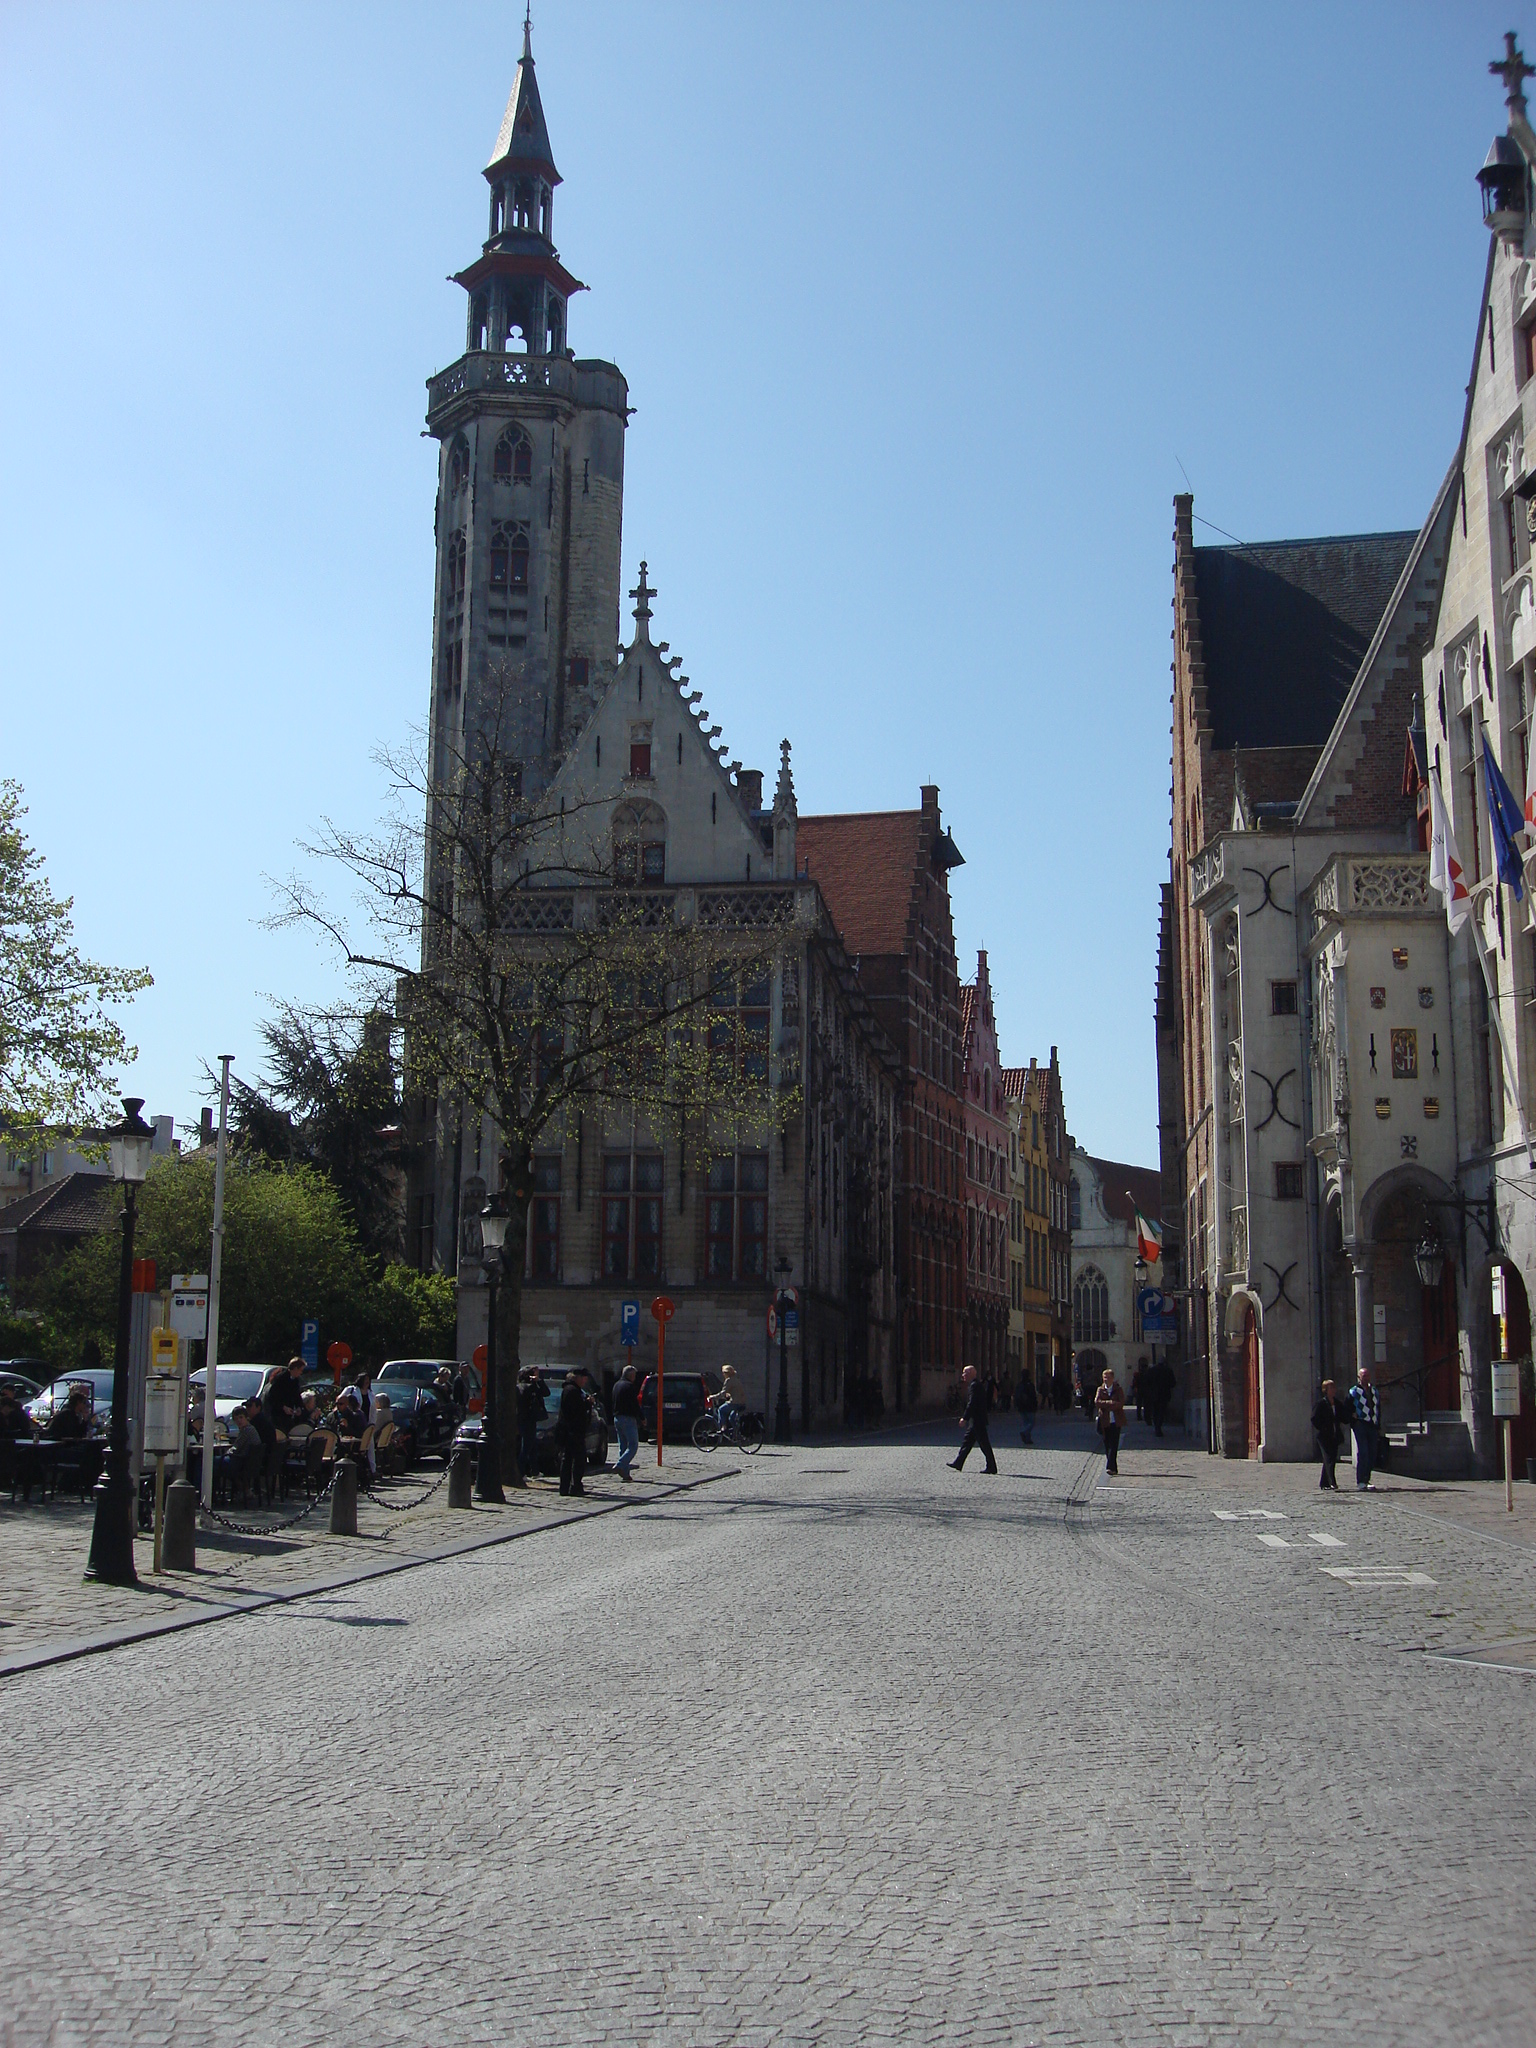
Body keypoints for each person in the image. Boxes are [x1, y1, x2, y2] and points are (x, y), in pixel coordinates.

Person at [950, 1365, 998, 1473]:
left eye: (965, 1373)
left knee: (984, 1444)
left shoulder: (974, 1386)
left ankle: (991, 1467)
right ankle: (958, 1462)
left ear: (970, 1374)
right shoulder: (976, 1385)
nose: (963, 1375)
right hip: (976, 1420)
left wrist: (964, 1418)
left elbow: (972, 1403)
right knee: (967, 1442)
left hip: (977, 1420)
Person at [1347, 1363, 1382, 1490]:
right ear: (1359, 1377)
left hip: (1372, 1424)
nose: (1366, 1378)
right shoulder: (1354, 1391)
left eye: (1367, 1375)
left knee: (1372, 1452)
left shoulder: (1374, 1391)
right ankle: (1361, 1480)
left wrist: (1378, 1424)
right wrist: (1352, 1418)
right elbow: (1347, 1406)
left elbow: (1378, 1407)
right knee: (1363, 1452)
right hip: (1360, 1424)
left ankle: (1367, 1479)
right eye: (1363, 1375)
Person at [556, 1369, 588, 1495]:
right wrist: (587, 1403)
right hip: (573, 1430)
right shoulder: (572, 1391)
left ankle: (566, 1487)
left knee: (568, 1459)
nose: (585, 1381)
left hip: (570, 1430)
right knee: (577, 1459)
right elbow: (575, 1410)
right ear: (577, 1378)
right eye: (583, 1378)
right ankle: (574, 1487)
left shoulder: (570, 1390)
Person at [228, 1402, 265, 1505]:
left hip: (245, 1462)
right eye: (236, 1419)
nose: (239, 1421)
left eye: (241, 1417)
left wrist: (227, 1452)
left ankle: (244, 1491)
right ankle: (246, 1490)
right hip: (251, 1462)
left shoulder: (246, 1431)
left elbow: (236, 1448)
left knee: (218, 1464)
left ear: (246, 1418)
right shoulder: (251, 1429)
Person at [1311, 1378, 1344, 1489]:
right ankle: (1332, 1482)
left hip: (1334, 1435)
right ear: (1325, 1390)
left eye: (1334, 1387)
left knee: (1332, 1458)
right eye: (1331, 1388)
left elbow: (1343, 1416)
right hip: (1324, 1436)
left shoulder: (1337, 1403)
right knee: (1328, 1458)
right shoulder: (1321, 1403)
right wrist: (1323, 1428)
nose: (1333, 1390)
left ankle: (1324, 1482)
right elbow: (1314, 1418)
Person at [1094, 1367, 1126, 1475]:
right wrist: (1111, 1403)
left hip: (1116, 1420)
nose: (1106, 1379)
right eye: (1104, 1377)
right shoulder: (1100, 1389)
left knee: (1114, 1444)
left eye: (1108, 1377)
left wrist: (1106, 1405)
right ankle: (1113, 1467)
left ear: (1112, 1378)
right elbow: (1097, 1402)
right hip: (1105, 1420)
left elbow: (1121, 1403)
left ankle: (1110, 1467)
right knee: (1107, 1443)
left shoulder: (1118, 1389)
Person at [612, 1364, 640, 1481]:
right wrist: (642, 1417)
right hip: (628, 1418)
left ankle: (625, 1474)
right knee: (633, 1445)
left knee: (623, 1446)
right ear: (631, 1375)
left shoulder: (616, 1385)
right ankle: (620, 1464)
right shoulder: (629, 1386)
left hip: (617, 1418)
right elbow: (634, 1404)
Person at [266, 1358, 305, 1436]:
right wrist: (283, 1407)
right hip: (278, 1415)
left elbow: (296, 1395)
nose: (301, 1373)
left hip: (289, 1414)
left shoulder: (295, 1380)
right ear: (295, 1368)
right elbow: (272, 1397)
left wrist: (299, 1407)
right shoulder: (280, 1378)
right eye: (300, 1370)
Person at [714, 1360, 746, 1439]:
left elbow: (722, 1393)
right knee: (731, 1417)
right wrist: (728, 1395)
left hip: (734, 1403)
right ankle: (737, 1433)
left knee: (721, 1410)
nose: (723, 1375)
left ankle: (723, 1427)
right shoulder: (736, 1380)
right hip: (742, 1403)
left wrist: (713, 1397)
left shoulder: (728, 1380)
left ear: (727, 1373)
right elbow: (736, 1391)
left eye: (724, 1373)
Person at [1015, 1368, 1038, 1446]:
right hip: (1029, 1406)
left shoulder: (1019, 1385)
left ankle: (1028, 1439)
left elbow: (1016, 1395)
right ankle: (1024, 1432)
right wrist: (1035, 1405)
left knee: (1025, 1423)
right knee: (1031, 1422)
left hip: (1021, 1407)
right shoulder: (1030, 1385)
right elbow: (1033, 1396)